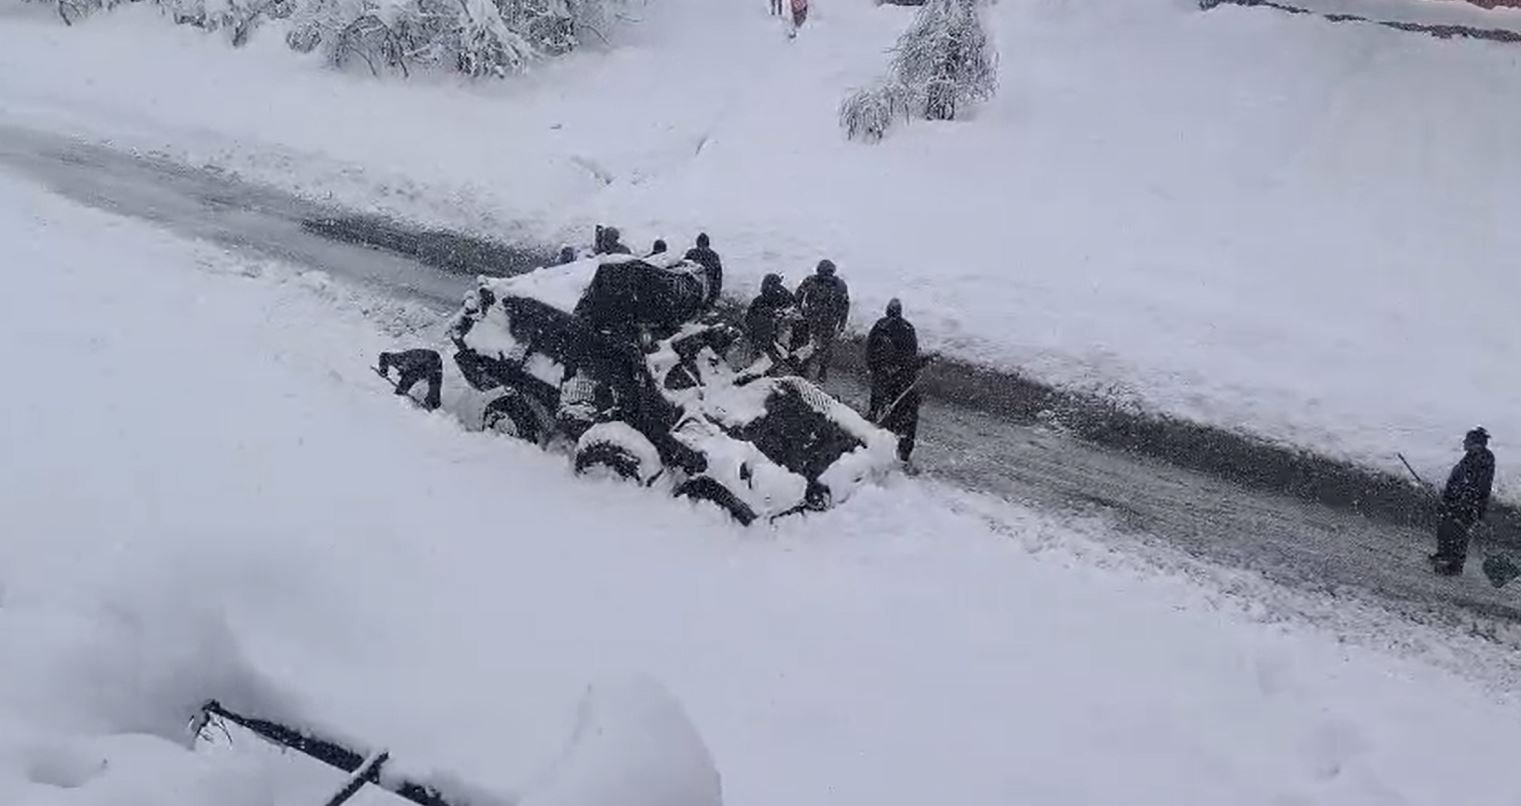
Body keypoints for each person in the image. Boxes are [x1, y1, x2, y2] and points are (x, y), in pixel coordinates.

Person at [1431, 427, 1496, 576]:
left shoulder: (1485, 459)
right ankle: (1443, 555)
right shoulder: (1470, 456)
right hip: (1455, 500)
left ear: (1476, 444)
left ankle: (1455, 566)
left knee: (1459, 533)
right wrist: (1448, 497)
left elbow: (1481, 485)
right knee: (1445, 526)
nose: (1464, 442)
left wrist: (1467, 502)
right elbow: (1459, 479)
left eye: (1467, 440)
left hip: (1468, 504)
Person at [867, 299, 924, 464]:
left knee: (881, 405)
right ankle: (903, 454)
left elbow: (871, 348)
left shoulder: (881, 326)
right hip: (904, 379)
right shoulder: (908, 328)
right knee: (906, 419)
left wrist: (874, 367)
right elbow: (912, 353)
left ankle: (874, 426)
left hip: (886, 375)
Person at [794, 259, 849, 383]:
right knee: (817, 345)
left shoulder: (837, 285)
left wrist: (842, 323)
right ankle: (813, 368)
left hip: (821, 319)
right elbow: (798, 295)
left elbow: (845, 305)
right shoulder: (836, 284)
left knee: (816, 345)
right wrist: (841, 323)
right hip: (819, 319)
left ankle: (814, 367)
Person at [745, 273, 795, 362]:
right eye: (774, 285)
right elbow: (749, 319)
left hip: (778, 335)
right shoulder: (760, 301)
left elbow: (792, 303)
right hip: (767, 337)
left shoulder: (780, 297)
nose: (774, 288)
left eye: (776, 285)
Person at [683, 233, 724, 307]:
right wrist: (716, 293)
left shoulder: (691, 253)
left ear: (697, 243)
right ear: (708, 243)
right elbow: (718, 276)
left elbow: (683, 268)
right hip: (709, 286)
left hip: (694, 287)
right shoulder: (714, 255)